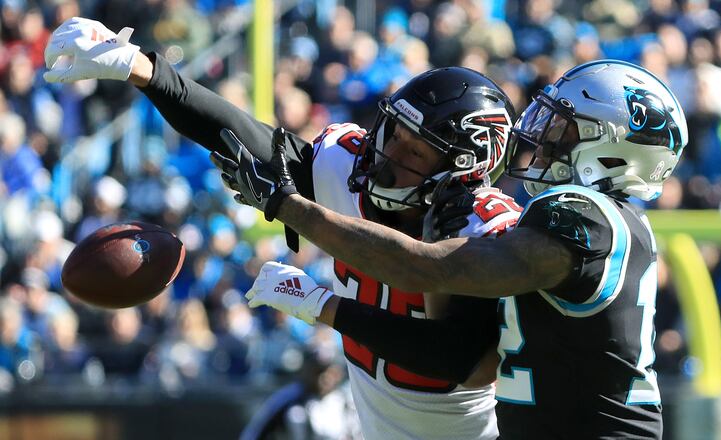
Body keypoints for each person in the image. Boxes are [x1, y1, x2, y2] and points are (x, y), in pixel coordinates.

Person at [43, 17, 522, 439]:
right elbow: (248, 140)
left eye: (414, 150)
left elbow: (452, 358)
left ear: (463, 168)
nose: (387, 155)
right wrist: (143, 69)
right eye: (393, 133)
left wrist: (322, 305)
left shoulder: (482, 232)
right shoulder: (348, 168)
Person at [216, 60, 688, 439]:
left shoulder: (584, 216)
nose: (542, 138)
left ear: (615, 151)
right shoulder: (599, 219)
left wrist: (288, 207)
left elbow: (424, 271)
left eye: (564, 129)